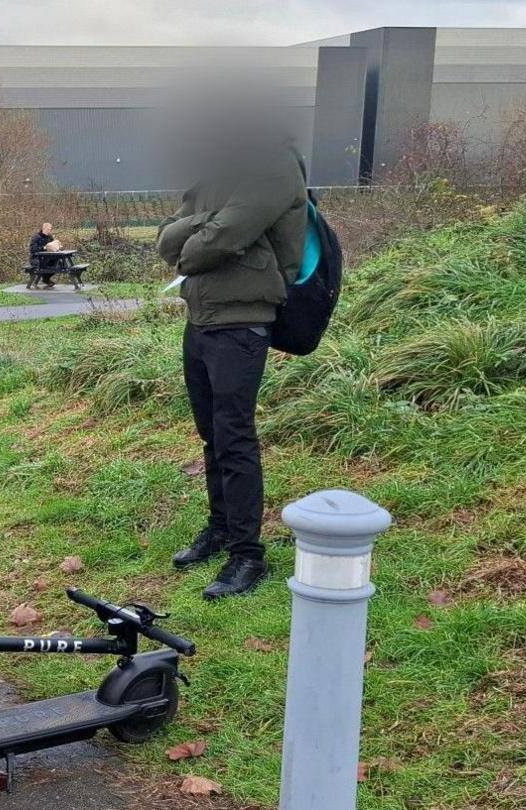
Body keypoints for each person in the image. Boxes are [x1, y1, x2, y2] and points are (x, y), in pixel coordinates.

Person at [155, 120, 306, 600]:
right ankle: (220, 529)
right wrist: (206, 225)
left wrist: (200, 234)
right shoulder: (216, 171)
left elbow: (220, 239)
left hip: (243, 320)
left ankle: (247, 554)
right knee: (211, 433)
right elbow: (166, 239)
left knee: (235, 436)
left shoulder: (275, 165)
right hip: (201, 318)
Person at [29, 222, 63, 287]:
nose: (49, 231)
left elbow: (53, 245)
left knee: (59, 264)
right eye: (48, 229)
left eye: (50, 229)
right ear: (43, 228)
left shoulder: (49, 237)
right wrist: (44, 248)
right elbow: (33, 249)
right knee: (45, 265)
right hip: (35, 259)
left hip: (47, 258)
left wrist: (57, 246)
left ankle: (46, 279)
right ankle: (45, 279)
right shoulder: (36, 237)